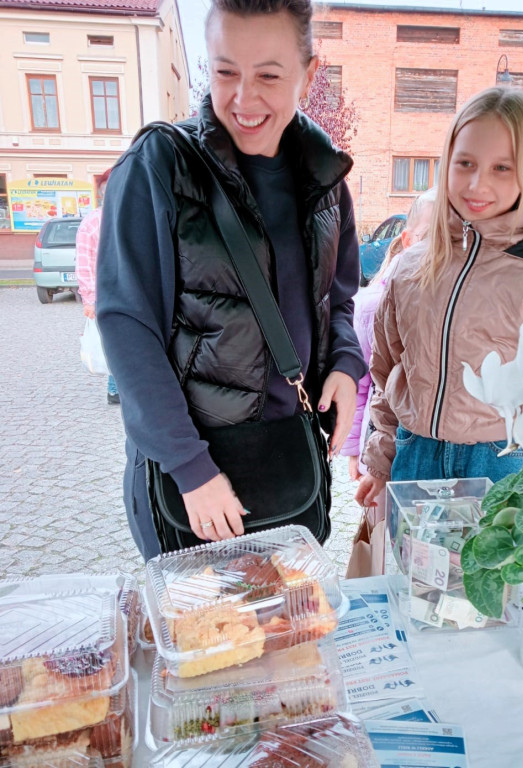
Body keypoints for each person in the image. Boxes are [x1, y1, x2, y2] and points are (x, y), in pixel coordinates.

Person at [97, 0, 366, 560]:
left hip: (290, 462)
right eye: (225, 72)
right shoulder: (159, 166)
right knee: (207, 640)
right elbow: (128, 327)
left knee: (289, 637)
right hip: (194, 481)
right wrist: (191, 470)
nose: (243, 99)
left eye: (269, 75)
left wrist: (343, 363)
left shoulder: (325, 178)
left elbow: (338, 300)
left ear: (309, 73)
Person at [355, 87, 523, 509]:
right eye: (465, 163)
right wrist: (381, 462)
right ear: (447, 162)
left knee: (493, 578)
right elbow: (389, 374)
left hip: (501, 465)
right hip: (414, 457)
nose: (477, 183)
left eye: (501, 168)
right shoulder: (412, 268)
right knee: (414, 575)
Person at [341, 189, 436, 482]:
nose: (440, 248)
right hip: (383, 440)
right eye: (430, 236)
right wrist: (355, 451)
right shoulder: (372, 305)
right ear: (407, 241)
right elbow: (359, 384)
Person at [75, 168, 119, 405]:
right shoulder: (93, 223)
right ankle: (115, 389)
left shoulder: (136, 216)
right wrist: (89, 300)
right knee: (113, 342)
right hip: (107, 296)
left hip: (135, 294)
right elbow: (84, 264)